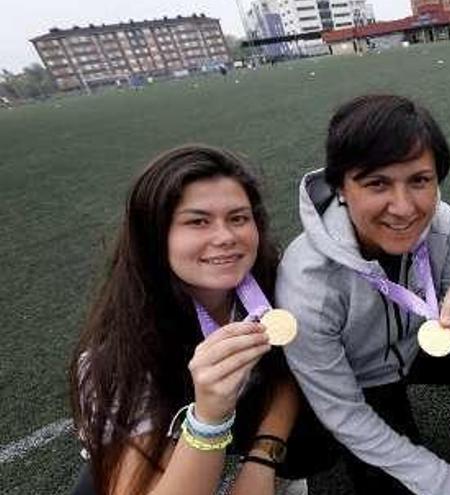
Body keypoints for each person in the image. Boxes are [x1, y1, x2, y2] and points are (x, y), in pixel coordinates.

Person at [276, 94, 450, 495]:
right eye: (377, 183)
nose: (402, 208)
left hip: (420, 345)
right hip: (363, 381)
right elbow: (344, 412)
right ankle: (306, 472)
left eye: (419, 180)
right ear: (340, 186)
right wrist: (445, 480)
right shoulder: (306, 281)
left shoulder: (442, 223)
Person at [69, 145, 313, 495]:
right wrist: (208, 418)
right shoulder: (114, 356)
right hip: (161, 440)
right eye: (198, 221)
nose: (226, 237)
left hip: (243, 417)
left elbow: (287, 371)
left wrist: (262, 462)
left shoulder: (277, 281)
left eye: (238, 218)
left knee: (316, 430)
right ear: (154, 235)